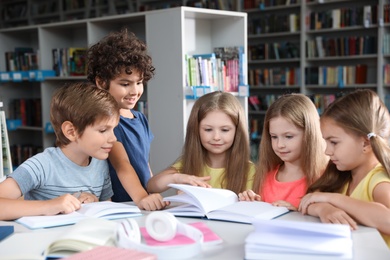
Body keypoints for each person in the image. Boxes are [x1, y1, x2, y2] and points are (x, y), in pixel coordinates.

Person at [0, 82, 120, 221]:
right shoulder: (42, 165)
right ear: (71, 131)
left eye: (114, 129)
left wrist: (95, 203)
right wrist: (49, 206)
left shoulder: (100, 163)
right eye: (103, 130)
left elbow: (108, 210)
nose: (113, 138)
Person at [87, 28, 169, 210]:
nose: (134, 91)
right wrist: (141, 198)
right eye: (125, 84)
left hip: (141, 203)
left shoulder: (140, 118)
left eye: (139, 82)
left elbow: (144, 164)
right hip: (119, 206)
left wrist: (152, 193)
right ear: (101, 82)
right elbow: (121, 165)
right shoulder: (106, 124)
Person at [298, 89, 390, 247]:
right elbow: (309, 201)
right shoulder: (343, 175)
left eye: (333, 142)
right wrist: (324, 209)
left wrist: (333, 199)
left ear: (365, 143)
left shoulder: (379, 182)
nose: (327, 151)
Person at [147, 91, 255, 195]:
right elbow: (151, 186)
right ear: (196, 130)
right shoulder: (188, 163)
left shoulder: (250, 170)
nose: (216, 137)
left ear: (238, 131)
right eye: (208, 130)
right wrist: (176, 178)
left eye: (225, 130)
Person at [238, 93, 328, 210]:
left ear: (310, 134)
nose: (279, 145)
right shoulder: (265, 176)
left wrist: (295, 213)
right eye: (274, 137)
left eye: (289, 136)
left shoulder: (326, 176)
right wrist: (252, 203)